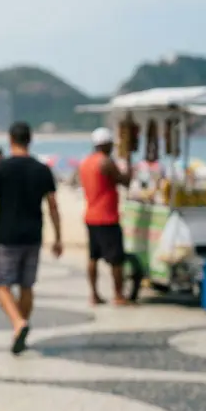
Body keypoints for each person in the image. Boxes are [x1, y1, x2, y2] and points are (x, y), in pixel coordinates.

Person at [0, 122, 62, 354]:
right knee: (26, 285)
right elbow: (53, 206)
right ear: (30, 140)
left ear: (10, 140)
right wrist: (58, 237)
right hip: (33, 235)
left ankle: (18, 322)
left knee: (1, 284)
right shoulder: (42, 169)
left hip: (7, 236)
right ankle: (19, 327)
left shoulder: (1, 168)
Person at [79, 127, 132, 306]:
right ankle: (118, 295)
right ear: (107, 144)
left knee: (93, 257)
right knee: (116, 259)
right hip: (107, 217)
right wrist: (129, 160)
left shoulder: (85, 162)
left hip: (90, 215)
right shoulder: (106, 162)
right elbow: (125, 181)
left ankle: (94, 294)